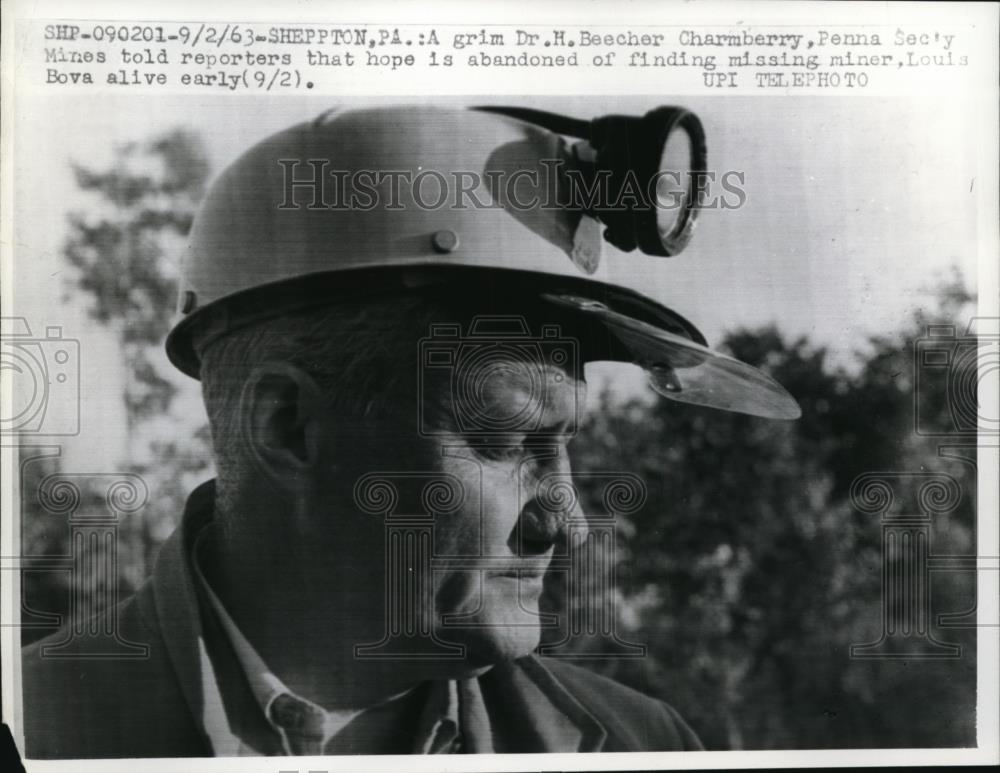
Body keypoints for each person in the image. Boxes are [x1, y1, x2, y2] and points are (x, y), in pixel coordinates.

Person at [21, 104, 799, 757]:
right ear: (286, 427)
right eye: (505, 441)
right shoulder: (35, 730)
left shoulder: (643, 746)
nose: (567, 519)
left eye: (565, 444)